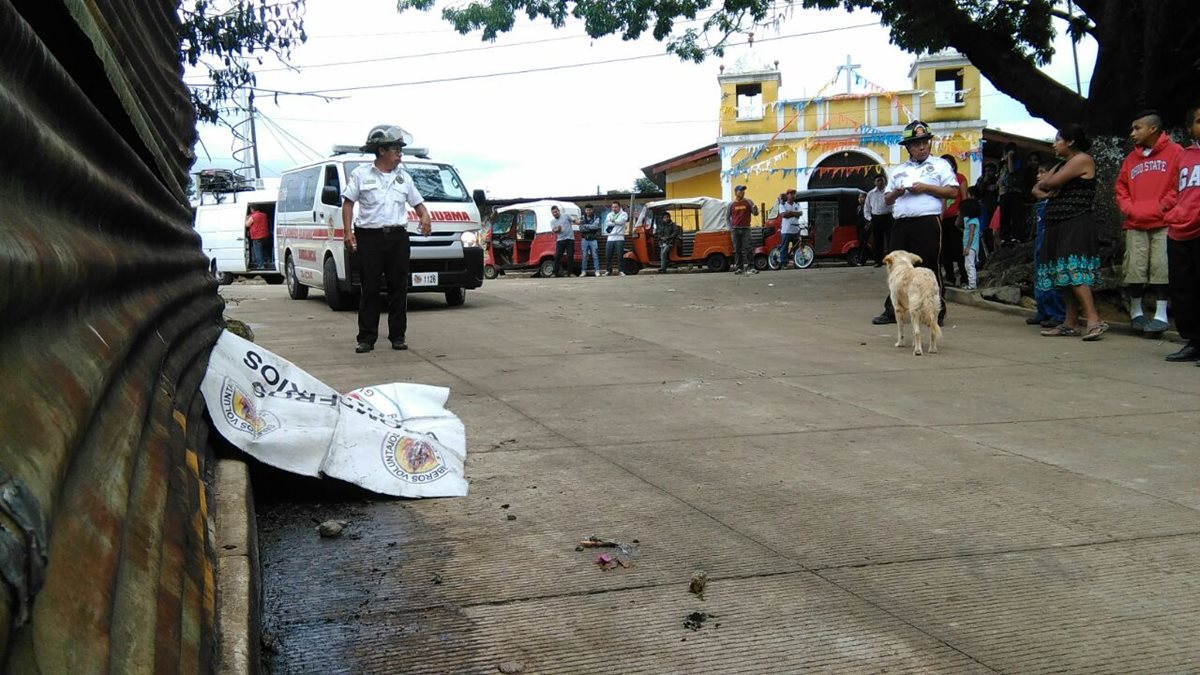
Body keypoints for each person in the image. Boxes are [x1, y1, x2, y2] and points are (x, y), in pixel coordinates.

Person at [342, 124, 431, 354]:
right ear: (381, 151)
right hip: (369, 237)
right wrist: (348, 232)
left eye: (401, 150)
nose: (400, 154)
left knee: (398, 288)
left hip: (397, 238)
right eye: (395, 150)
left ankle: (398, 336)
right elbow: (348, 203)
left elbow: (418, 203)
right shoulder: (361, 174)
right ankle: (366, 338)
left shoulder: (404, 177)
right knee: (370, 288)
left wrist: (425, 215)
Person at [872, 120, 959, 326]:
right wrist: (897, 192)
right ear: (908, 147)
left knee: (929, 265)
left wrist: (926, 188)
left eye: (925, 143)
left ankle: (936, 310)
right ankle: (893, 310)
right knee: (896, 267)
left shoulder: (940, 165)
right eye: (916, 144)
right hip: (901, 223)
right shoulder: (899, 170)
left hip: (927, 222)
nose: (922, 147)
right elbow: (887, 199)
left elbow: (952, 191)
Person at [1035, 124, 1107, 340]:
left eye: (1058, 140)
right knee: (1062, 275)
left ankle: (1094, 320)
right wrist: (1047, 188)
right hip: (1056, 223)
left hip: (1075, 222)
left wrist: (1048, 184)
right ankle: (1070, 322)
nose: (1054, 144)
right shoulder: (1062, 164)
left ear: (1071, 141)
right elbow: (1036, 189)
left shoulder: (1082, 159)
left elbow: (1050, 182)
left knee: (1074, 272)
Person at [1115, 110, 1183, 335]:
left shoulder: (1176, 152)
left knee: (1161, 267)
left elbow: (1179, 184)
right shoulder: (1131, 159)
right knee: (1135, 268)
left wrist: (1162, 206)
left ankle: (1161, 315)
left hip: (1165, 222)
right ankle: (1136, 312)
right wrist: (1129, 208)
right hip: (1135, 223)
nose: (1132, 133)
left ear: (1153, 128)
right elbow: (1121, 186)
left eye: (1137, 128)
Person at [1161, 104, 1200, 362]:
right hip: (1180, 230)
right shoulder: (1183, 156)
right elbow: (1172, 190)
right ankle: (1194, 341)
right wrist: (1169, 211)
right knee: (1184, 288)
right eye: (1199, 121)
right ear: (1190, 128)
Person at [1025, 159, 1067, 328]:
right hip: (1040, 238)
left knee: (1052, 274)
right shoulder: (1041, 199)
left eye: (1043, 172)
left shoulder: (1058, 196)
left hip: (1051, 238)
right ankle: (1042, 310)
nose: (1039, 175)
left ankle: (1057, 313)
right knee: (1040, 274)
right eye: (1039, 172)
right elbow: (1035, 191)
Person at [940, 154, 969, 286]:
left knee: (958, 249)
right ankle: (950, 278)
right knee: (945, 249)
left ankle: (964, 277)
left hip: (956, 218)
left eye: (948, 163)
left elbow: (964, 198)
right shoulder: (939, 181)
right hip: (942, 218)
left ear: (953, 165)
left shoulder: (960, 178)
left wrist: (961, 216)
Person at [998, 142, 1025, 245]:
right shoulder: (1002, 165)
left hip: (1014, 192)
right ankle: (1005, 237)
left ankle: (1016, 236)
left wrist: (1009, 157)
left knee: (1015, 215)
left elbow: (1011, 171)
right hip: (1003, 194)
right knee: (1004, 216)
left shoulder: (1017, 162)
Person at [729, 184, 759, 274]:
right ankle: (739, 268)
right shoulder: (731, 204)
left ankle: (751, 267)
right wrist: (730, 228)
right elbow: (727, 217)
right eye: (740, 190)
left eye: (743, 190)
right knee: (737, 249)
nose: (743, 192)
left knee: (748, 248)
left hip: (746, 229)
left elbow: (755, 214)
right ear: (735, 193)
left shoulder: (749, 202)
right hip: (735, 229)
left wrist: (755, 210)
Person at [863, 174, 893, 267]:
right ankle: (878, 261)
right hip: (876, 218)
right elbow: (867, 208)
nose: (880, 182)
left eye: (882, 180)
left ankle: (891, 261)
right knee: (877, 241)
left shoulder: (890, 191)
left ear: (885, 181)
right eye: (878, 180)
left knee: (890, 240)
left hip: (889, 217)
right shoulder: (870, 193)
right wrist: (870, 218)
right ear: (875, 182)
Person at [975, 162, 999, 260]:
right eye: (986, 171)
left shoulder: (998, 180)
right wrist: (984, 183)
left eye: (990, 171)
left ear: (995, 171)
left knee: (995, 232)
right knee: (985, 233)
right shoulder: (981, 180)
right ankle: (987, 255)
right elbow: (977, 193)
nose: (988, 173)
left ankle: (995, 252)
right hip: (984, 210)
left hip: (995, 209)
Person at [960, 186, 981, 290]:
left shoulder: (972, 221)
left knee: (969, 265)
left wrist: (968, 247)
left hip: (971, 246)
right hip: (970, 246)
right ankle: (971, 283)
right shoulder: (971, 220)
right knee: (968, 265)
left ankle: (972, 284)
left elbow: (971, 235)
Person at [775, 190, 803, 269]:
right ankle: (784, 264)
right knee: (784, 247)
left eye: (793, 194)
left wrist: (790, 212)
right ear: (787, 195)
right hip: (786, 230)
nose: (792, 195)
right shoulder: (783, 205)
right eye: (790, 194)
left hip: (796, 230)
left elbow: (800, 213)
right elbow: (784, 215)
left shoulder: (797, 204)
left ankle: (797, 262)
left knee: (796, 248)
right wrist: (795, 214)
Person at [602, 201, 628, 276]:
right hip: (610, 237)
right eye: (613, 207)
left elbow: (622, 221)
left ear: (619, 207)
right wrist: (616, 222)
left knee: (620, 255)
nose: (614, 208)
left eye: (616, 207)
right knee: (608, 255)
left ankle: (621, 270)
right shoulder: (609, 214)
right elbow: (607, 222)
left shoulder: (623, 214)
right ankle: (608, 270)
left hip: (619, 237)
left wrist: (613, 221)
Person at [549, 205, 575, 277]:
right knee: (557, 256)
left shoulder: (566, 215)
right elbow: (554, 231)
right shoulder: (552, 222)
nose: (555, 213)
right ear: (552, 214)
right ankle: (555, 273)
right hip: (560, 240)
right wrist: (558, 229)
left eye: (556, 212)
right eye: (553, 213)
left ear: (559, 211)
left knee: (570, 256)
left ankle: (571, 273)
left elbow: (574, 220)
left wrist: (579, 222)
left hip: (570, 239)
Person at [577, 204, 602, 277]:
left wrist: (585, 226)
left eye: (590, 210)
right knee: (584, 256)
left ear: (592, 210)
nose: (588, 211)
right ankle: (583, 271)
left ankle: (597, 271)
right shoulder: (582, 218)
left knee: (595, 255)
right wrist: (590, 227)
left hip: (593, 239)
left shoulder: (596, 217)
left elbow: (595, 227)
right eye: (587, 210)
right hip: (584, 239)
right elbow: (580, 228)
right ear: (585, 210)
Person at [245, 204, 269, 269]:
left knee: (258, 251)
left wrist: (246, 218)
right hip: (265, 235)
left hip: (257, 237)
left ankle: (261, 265)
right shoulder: (264, 215)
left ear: (252, 209)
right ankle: (268, 261)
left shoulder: (253, 216)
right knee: (264, 249)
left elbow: (247, 224)